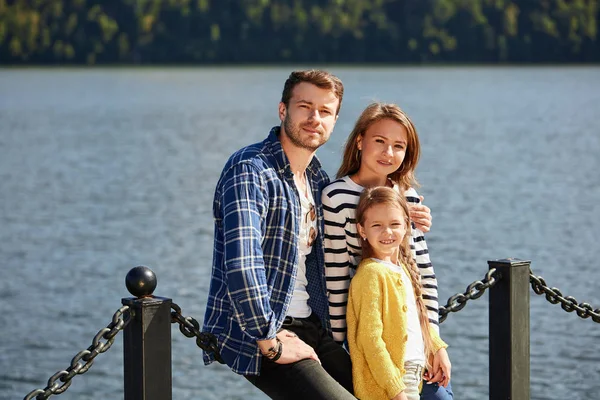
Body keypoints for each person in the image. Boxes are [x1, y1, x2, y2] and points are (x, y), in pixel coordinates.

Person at [202, 69, 355, 400]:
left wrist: (404, 209)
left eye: (325, 111)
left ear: (334, 120)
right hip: (263, 330)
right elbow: (243, 264)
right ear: (283, 110)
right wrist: (269, 342)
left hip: (314, 326)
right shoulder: (250, 169)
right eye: (305, 106)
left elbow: (358, 223)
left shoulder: (317, 179)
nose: (315, 118)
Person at [322, 102, 454, 399]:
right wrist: (343, 349)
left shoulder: (407, 196)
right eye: (379, 141)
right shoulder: (336, 196)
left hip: (415, 342)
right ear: (360, 141)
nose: (388, 153)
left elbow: (423, 276)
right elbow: (337, 274)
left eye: (398, 146)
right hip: (372, 339)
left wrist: (435, 344)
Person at [347, 186, 451, 400]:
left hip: (414, 373)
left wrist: (437, 347)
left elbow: (415, 319)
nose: (387, 232)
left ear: (406, 226)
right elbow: (370, 339)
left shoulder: (402, 269)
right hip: (391, 384)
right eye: (377, 225)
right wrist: (396, 389)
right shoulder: (370, 275)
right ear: (362, 230)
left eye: (395, 224)